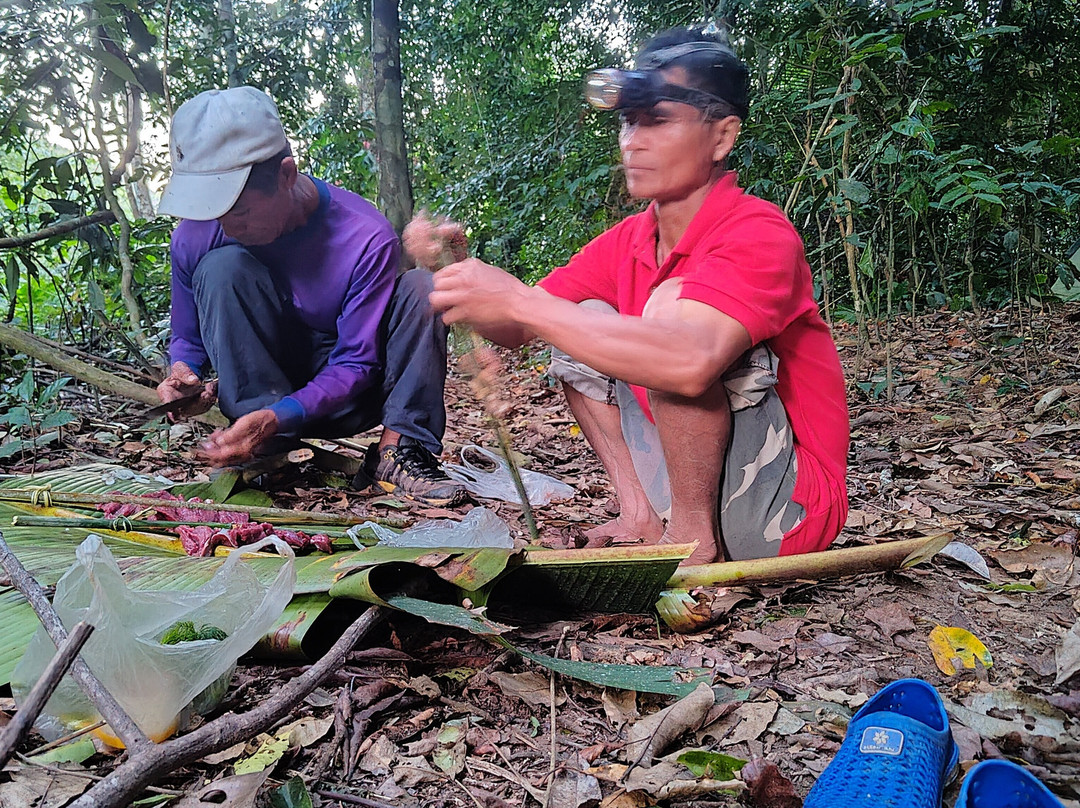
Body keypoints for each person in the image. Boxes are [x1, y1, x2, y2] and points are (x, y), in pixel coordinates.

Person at [430, 26, 849, 564]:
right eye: (629, 121)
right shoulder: (628, 241)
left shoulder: (759, 231)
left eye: (659, 120)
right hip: (694, 486)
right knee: (576, 316)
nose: (633, 141)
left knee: (668, 318)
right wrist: (462, 274)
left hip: (787, 511)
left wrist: (522, 301)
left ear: (722, 137)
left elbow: (689, 361)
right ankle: (641, 516)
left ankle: (693, 542)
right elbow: (518, 329)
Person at [155, 86, 465, 506]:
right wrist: (183, 375)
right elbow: (188, 339)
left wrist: (282, 413)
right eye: (215, 212)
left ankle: (401, 450)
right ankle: (262, 446)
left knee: (422, 288)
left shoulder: (363, 237)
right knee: (222, 266)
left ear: (286, 174)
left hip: (353, 395)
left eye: (239, 211)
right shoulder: (196, 235)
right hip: (264, 403)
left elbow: (357, 361)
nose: (225, 227)